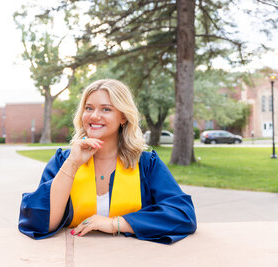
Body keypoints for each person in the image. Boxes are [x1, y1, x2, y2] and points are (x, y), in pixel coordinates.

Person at [18, 79, 196, 244]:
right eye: (88, 108)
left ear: (123, 117)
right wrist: (72, 164)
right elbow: (40, 221)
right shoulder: (63, 161)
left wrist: (115, 224)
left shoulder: (146, 165)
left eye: (106, 109)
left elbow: (182, 215)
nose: (94, 116)